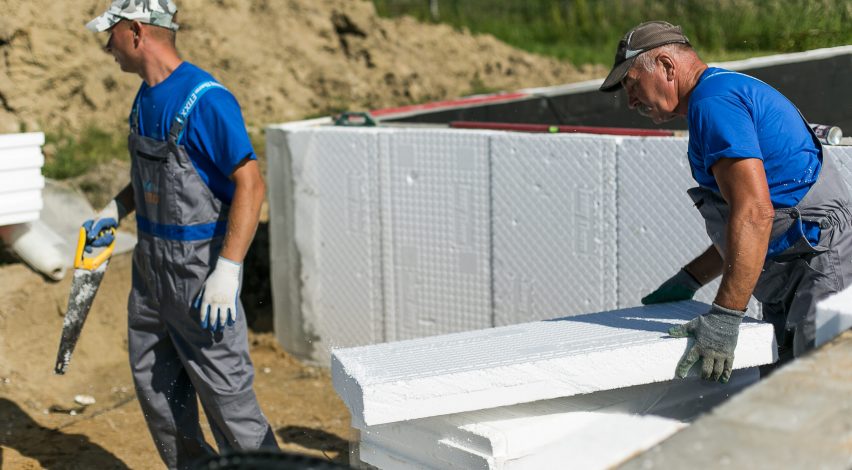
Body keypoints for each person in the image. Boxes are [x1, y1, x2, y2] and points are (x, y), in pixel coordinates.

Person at [599, 21, 852, 382]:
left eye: (633, 84)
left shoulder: (713, 104)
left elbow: (754, 214)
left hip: (819, 268)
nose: (631, 100)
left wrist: (725, 317)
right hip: (801, 265)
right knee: (781, 396)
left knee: (820, 397)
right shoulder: (721, 91)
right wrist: (690, 278)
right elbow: (759, 216)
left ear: (668, 67)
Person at [83, 1, 279, 467]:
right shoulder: (146, 96)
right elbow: (154, 173)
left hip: (198, 272)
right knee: (157, 388)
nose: (105, 47)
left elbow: (250, 182)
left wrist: (227, 269)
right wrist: (117, 208)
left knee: (228, 401)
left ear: (135, 31)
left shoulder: (206, 98)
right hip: (151, 271)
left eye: (109, 35)